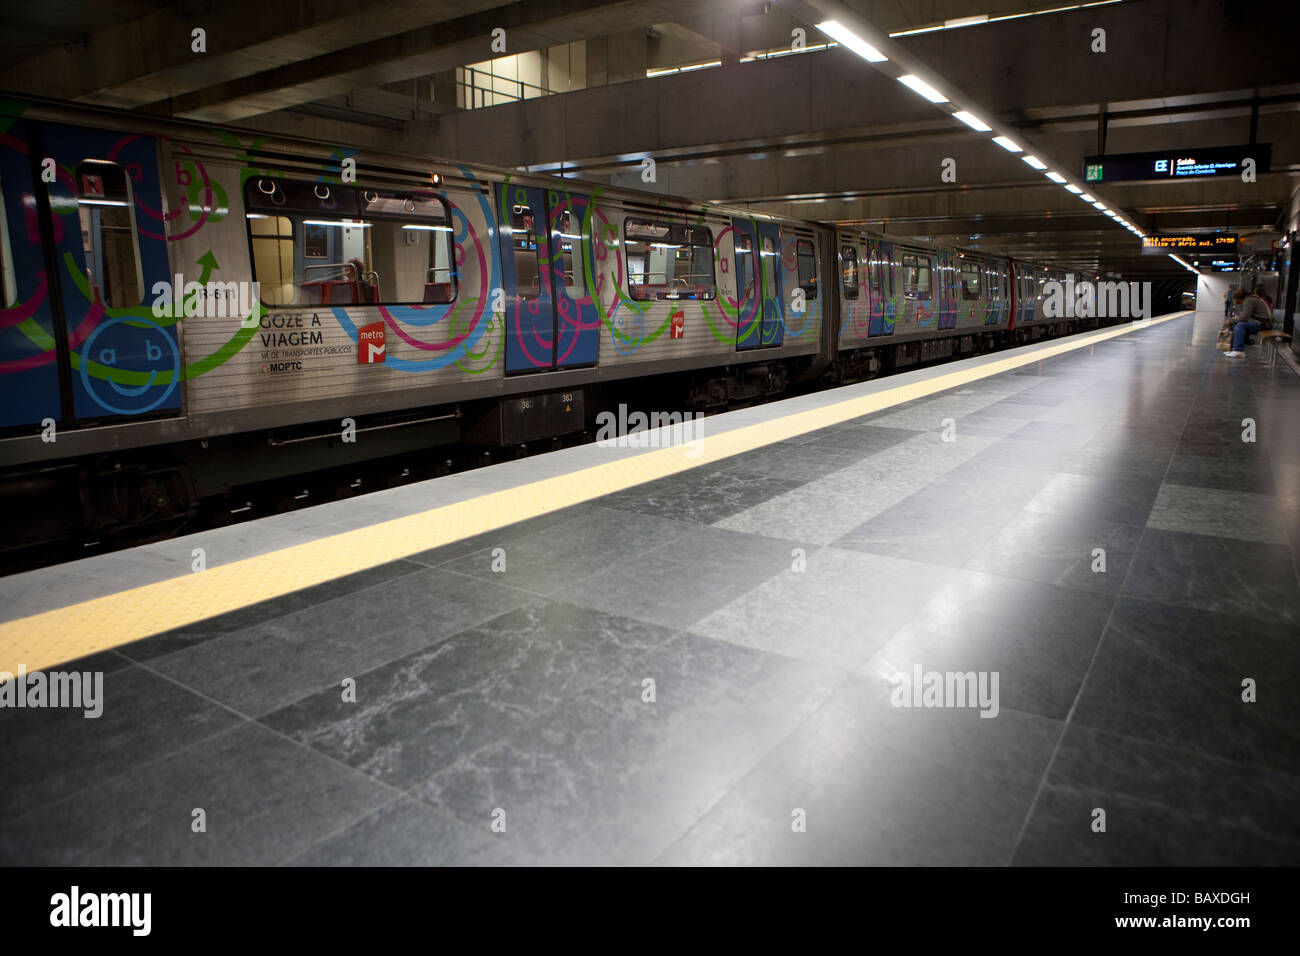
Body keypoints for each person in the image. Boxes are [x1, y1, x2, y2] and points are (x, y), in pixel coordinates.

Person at [1222, 289, 1273, 357]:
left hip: (1262, 324)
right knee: (1234, 325)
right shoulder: (1248, 299)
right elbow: (1244, 315)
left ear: (1238, 299)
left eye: (1234, 299)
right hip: (1257, 322)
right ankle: (1231, 348)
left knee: (1240, 325)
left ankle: (1238, 350)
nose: (1234, 302)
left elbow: (1244, 318)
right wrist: (1234, 319)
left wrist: (1230, 320)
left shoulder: (1248, 301)